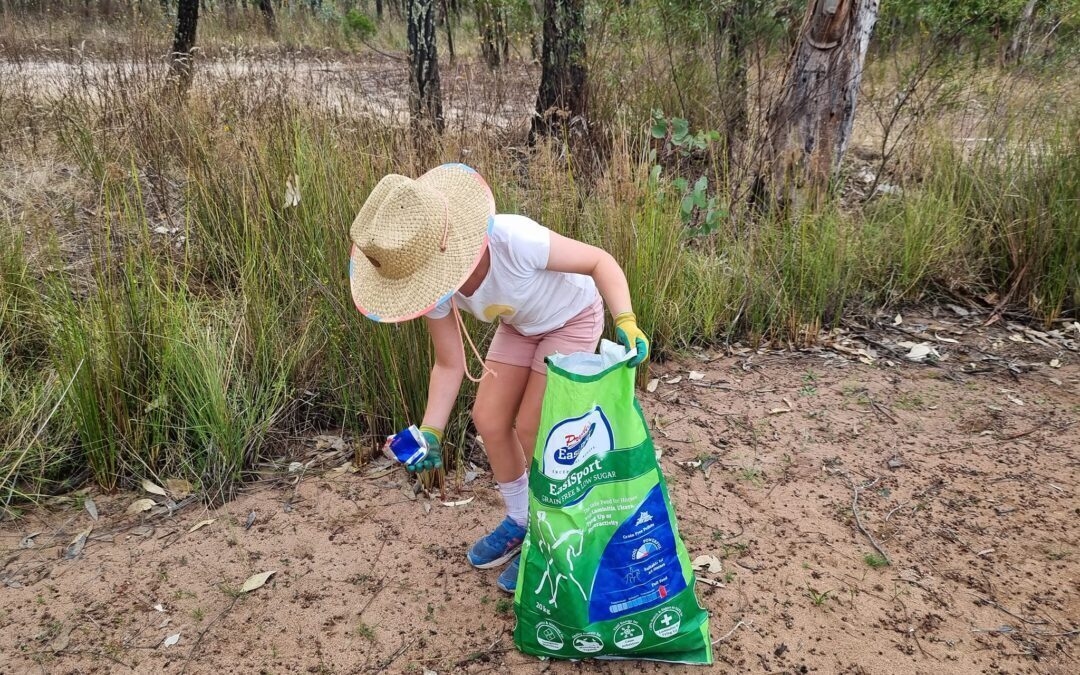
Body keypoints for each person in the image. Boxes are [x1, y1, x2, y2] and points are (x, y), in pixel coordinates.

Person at [348, 164, 649, 593]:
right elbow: (449, 364)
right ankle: (522, 519)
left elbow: (599, 261)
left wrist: (626, 318)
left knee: (534, 425)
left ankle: (555, 534)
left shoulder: (513, 240)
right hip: (521, 327)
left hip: (572, 317)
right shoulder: (436, 290)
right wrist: (431, 431)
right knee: (488, 417)